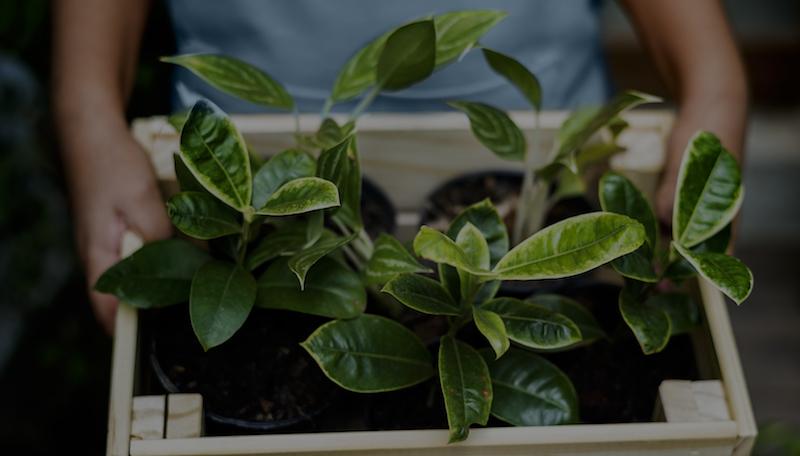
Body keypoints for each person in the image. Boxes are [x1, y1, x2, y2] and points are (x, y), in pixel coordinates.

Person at [53, 0, 747, 334]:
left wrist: (715, 85)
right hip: (241, 189)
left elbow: (709, 74)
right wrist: (89, 120)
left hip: (551, 179)